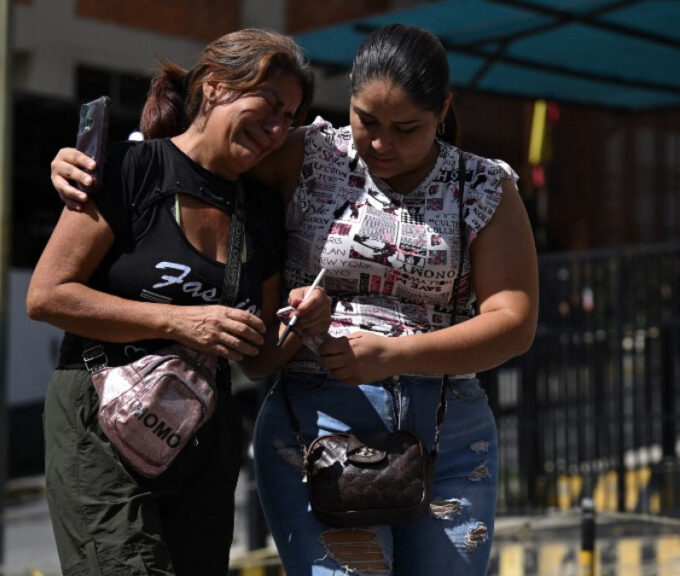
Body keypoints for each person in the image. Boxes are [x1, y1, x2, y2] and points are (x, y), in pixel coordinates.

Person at [51, 23, 538, 576]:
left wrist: (396, 355)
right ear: (348, 97)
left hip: (449, 434)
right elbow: (190, 160)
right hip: (319, 423)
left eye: (407, 128)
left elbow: (514, 322)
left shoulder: (483, 186)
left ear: (443, 109)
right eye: (366, 121)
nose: (380, 144)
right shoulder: (306, 153)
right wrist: (87, 166)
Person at [29, 28, 330, 576]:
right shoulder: (128, 169)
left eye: (289, 117)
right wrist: (180, 321)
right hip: (99, 414)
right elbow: (47, 295)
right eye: (268, 106)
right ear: (214, 87)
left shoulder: (260, 211)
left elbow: (256, 357)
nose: (277, 128)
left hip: (202, 432)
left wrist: (303, 326)